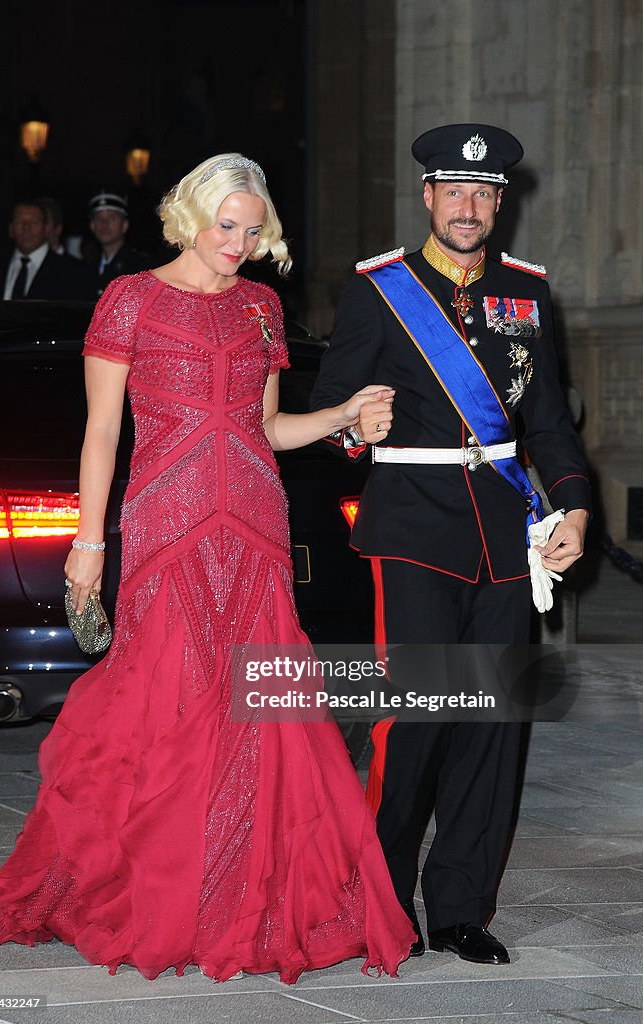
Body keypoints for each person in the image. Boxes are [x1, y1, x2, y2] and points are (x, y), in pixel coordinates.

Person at [0, 153, 415, 983]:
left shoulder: (261, 307)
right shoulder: (130, 298)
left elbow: (267, 430)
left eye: (252, 229)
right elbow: (102, 432)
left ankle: (242, 892)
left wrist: (345, 414)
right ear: (190, 217)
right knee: (166, 706)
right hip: (166, 525)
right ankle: (162, 893)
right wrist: (88, 542)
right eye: (226, 226)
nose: (238, 243)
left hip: (252, 523)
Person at [310, 124, 591, 965]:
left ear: (499, 204)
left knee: (493, 722)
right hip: (414, 532)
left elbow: (546, 421)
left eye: (483, 195)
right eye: (452, 192)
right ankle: (383, 902)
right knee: (414, 721)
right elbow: (331, 419)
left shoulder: (527, 294)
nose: (467, 207)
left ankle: (462, 907)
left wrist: (573, 511)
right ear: (427, 198)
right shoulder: (379, 291)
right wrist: (355, 426)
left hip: (506, 533)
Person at [0, 200, 90, 300]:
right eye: (20, 221)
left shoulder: (72, 273)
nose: (27, 228)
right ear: (11, 229)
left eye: (34, 222)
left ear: (46, 229)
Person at [87, 191, 150, 298]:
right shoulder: (87, 267)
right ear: (92, 225)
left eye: (112, 218)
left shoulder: (140, 267)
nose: (104, 224)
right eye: (99, 219)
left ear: (124, 225)